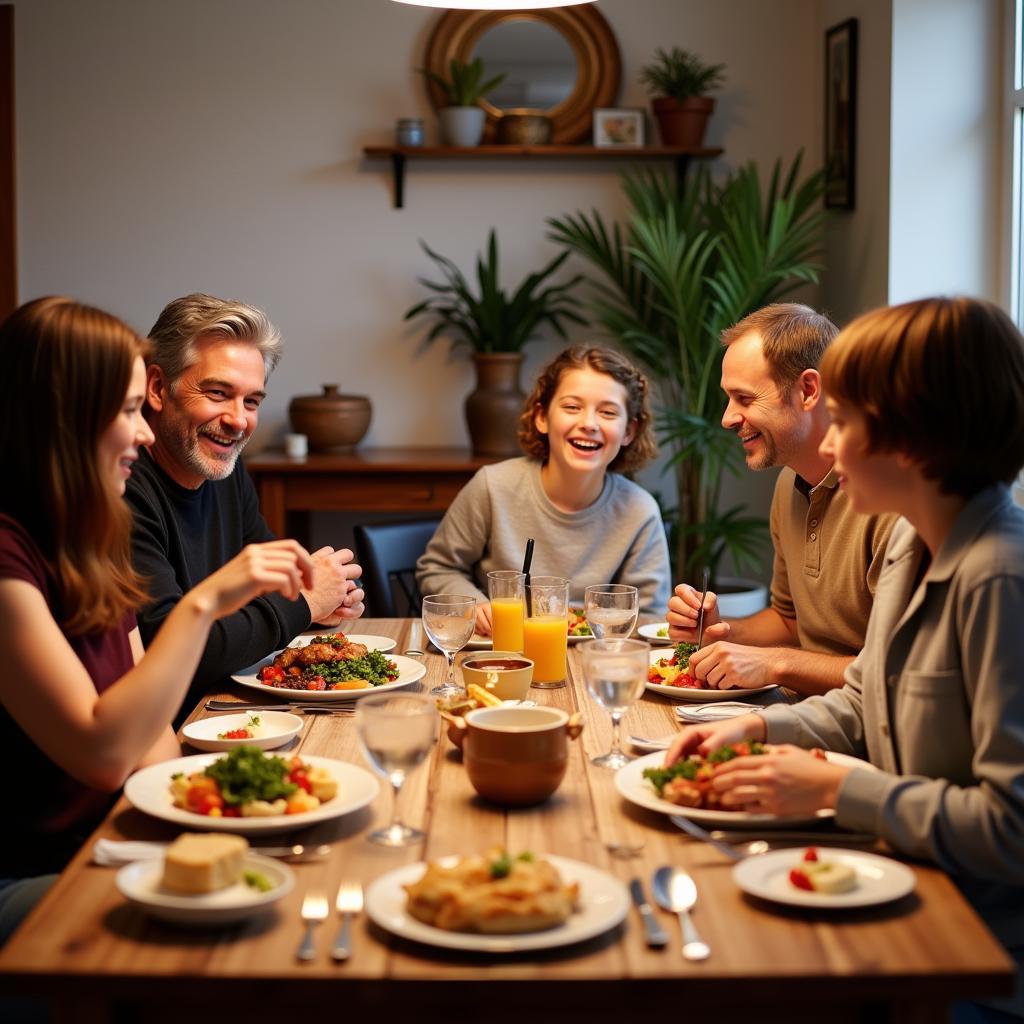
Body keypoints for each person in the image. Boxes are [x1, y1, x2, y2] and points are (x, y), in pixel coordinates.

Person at [664, 297, 1024, 1020]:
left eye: (849, 421)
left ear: (915, 437)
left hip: (969, 961)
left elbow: (1012, 832)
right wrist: (761, 732)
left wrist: (834, 792)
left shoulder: (997, 575)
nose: (829, 447)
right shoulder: (926, 546)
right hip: (894, 888)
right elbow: (865, 699)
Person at [0, 297, 314, 941]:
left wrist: (203, 817)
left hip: (114, 838)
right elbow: (102, 753)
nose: (142, 432)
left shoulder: (87, 535)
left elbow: (151, 740)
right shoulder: (8, 553)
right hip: (38, 870)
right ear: (62, 419)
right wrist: (205, 605)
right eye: (124, 410)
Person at [125, 294, 363, 719]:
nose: (238, 420)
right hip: (168, 729)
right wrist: (304, 603)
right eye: (218, 393)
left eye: (251, 401)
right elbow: (174, 650)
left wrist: (320, 600)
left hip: (226, 711)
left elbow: (272, 581)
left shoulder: (225, 466)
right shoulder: (123, 486)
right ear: (158, 388)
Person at [667, 303, 897, 696]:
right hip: (803, 714)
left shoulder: (894, 500)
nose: (726, 418)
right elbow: (789, 622)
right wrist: (720, 633)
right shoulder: (789, 482)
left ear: (808, 390)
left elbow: (894, 673)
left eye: (743, 398)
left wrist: (775, 663)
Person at [416, 346, 671, 631]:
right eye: (572, 407)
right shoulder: (493, 486)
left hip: (593, 659)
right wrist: (474, 603)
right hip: (500, 653)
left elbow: (648, 614)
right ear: (542, 417)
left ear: (628, 432)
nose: (588, 423)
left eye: (608, 412)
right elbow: (438, 567)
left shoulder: (640, 509)